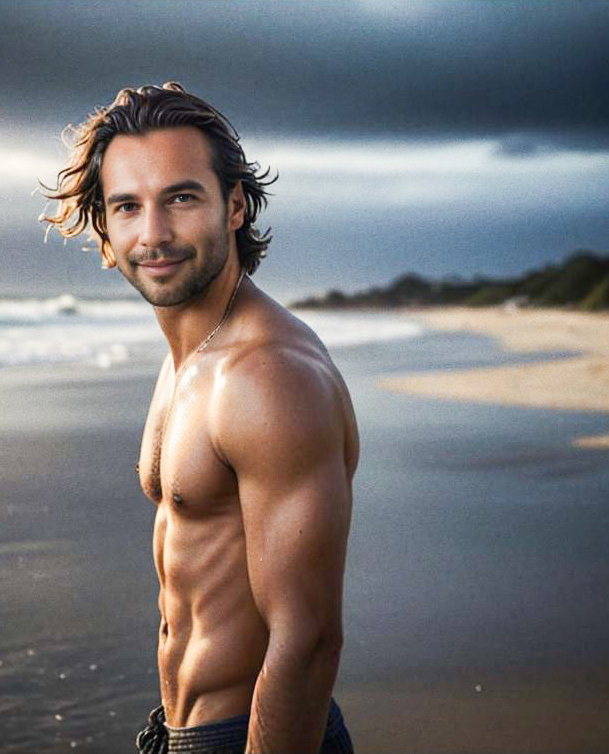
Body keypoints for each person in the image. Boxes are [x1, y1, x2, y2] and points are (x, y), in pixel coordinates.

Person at [41, 82, 358, 754]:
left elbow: (306, 639)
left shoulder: (265, 380)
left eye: (180, 198)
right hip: (183, 731)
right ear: (103, 234)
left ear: (234, 205)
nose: (152, 234)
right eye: (127, 206)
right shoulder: (191, 355)